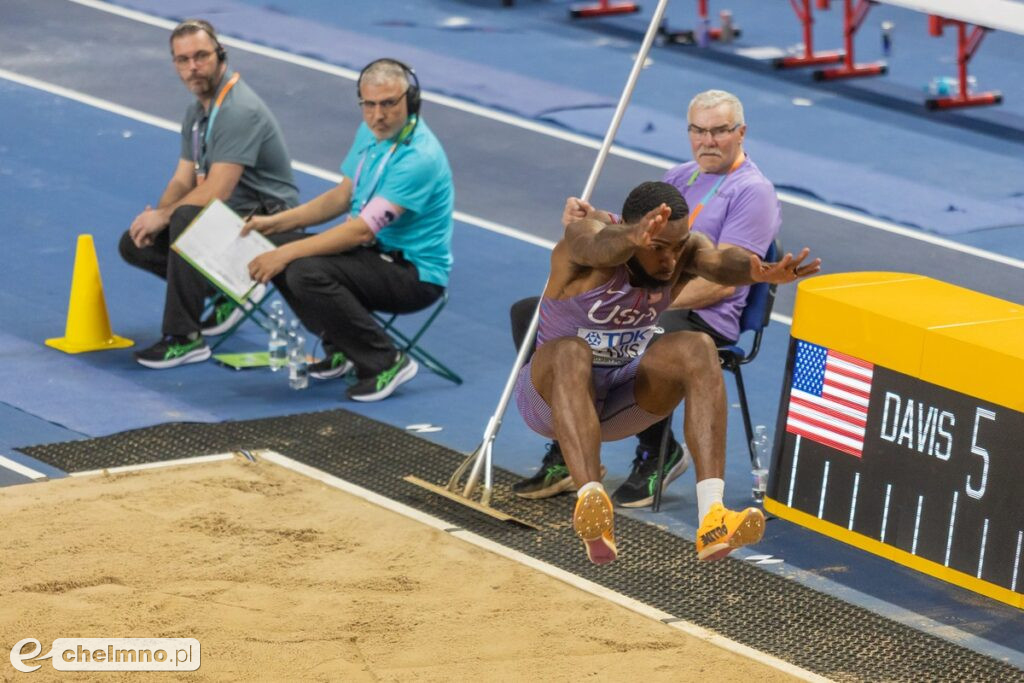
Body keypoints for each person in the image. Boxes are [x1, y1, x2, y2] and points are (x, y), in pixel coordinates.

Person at [514, 180, 818, 565]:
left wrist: (758, 272)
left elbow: (718, 263)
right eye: (659, 248)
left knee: (698, 347)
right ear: (632, 229)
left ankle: (713, 518)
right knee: (572, 351)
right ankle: (592, 504)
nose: (671, 261)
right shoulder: (586, 237)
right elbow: (593, 245)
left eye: (678, 247)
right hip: (551, 403)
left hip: (622, 400)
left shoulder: (681, 251)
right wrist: (631, 237)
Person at [511, 89, 780, 508]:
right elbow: (627, 231)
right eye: (698, 130)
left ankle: (660, 454)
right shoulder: (680, 177)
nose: (707, 141)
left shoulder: (753, 192)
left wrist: (646, 301)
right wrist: (591, 222)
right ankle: (569, 444)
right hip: (648, 296)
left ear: (741, 133)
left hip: (706, 311)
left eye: (719, 131)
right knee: (532, 313)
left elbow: (722, 280)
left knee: (661, 337)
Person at [243, 58, 454, 402]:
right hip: (372, 256)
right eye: (369, 105)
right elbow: (343, 196)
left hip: (413, 274)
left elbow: (361, 232)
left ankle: (386, 361)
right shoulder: (371, 133)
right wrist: (275, 224)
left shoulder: (420, 158)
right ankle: (342, 346)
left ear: (411, 101)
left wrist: (284, 253)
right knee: (274, 243)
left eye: (388, 103)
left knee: (302, 269)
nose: (377, 115)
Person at [119, 19, 300, 369]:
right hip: (229, 221)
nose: (193, 66)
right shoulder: (198, 112)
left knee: (186, 218)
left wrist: (167, 216)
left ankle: (184, 338)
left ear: (221, 55)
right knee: (135, 241)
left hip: (265, 224)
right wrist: (156, 218)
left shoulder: (238, 111)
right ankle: (225, 291)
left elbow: (218, 189)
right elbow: (182, 179)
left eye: (201, 56)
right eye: (183, 59)